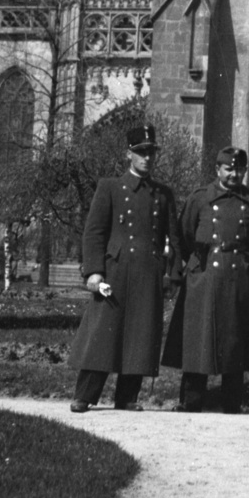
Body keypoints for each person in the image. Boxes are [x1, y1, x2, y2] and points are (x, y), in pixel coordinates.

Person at [67, 124, 174, 412]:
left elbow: (172, 237)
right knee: (103, 334)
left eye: (151, 152)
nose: (147, 158)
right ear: (129, 154)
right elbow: (94, 233)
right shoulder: (110, 187)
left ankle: (127, 397)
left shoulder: (163, 194)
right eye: (141, 152)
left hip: (147, 273)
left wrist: (169, 271)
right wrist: (93, 270)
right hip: (114, 272)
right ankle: (84, 395)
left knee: (140, 333)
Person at [163, 146, 249, 414]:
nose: (234, 174)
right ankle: (191, 401)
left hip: (238, 277)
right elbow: (185, 234)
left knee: (234, 339)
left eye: (239, 169)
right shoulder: (200, 198)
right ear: (217, 169)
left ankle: (231, 402)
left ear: (245, 171)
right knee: (197, 339)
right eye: (228, 169)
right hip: (204, 275)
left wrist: (242, 264)